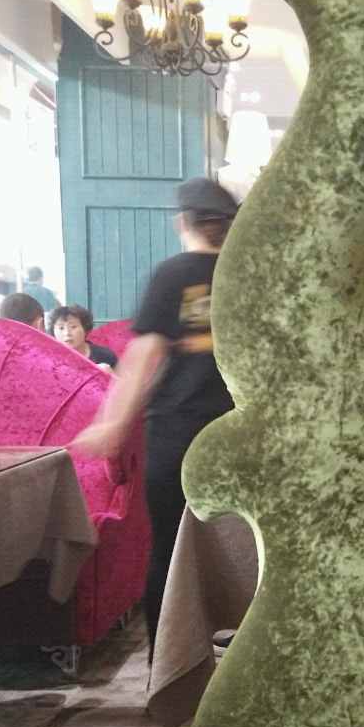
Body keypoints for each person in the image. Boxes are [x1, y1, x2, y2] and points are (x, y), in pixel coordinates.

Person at [74, 178, 238, 658]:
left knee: (171, 547)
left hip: (178, 435)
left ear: (182, 222)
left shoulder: (172, 274)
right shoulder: (250, 274)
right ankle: (242, 654)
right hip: (239, 437)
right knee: (243, 545)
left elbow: (144, 356)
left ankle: (168, 664)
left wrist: (112, 423)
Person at [50, 305, 118, 370]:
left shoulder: (105, 356)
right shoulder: (49, 359)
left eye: (73, 327)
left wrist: (110, 374)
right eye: (61, 328)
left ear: (85, 328)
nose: (67, 333)